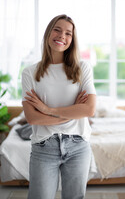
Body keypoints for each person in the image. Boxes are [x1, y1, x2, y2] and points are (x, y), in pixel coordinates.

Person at [22, 14, 96, 199]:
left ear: (72, 39)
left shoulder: (82, 68)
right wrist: (73, 111)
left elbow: (88, 110)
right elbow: (32, 118)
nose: (62, 36)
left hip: (78, 145)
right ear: (48, 33)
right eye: (57, 29)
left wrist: (47, 110)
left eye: (68, 33)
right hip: (44, 146)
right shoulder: (30, 73)